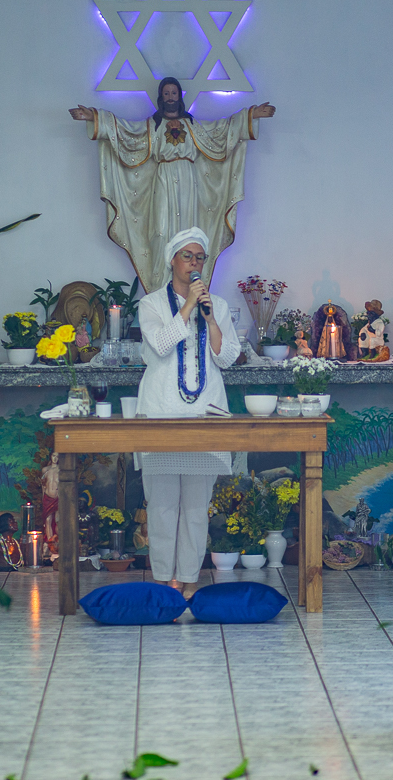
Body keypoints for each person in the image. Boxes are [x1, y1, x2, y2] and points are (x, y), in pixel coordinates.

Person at [69, 78, 275, 291]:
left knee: (188, 233)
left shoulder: (193, 125)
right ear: (161, 97)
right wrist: (94, 117)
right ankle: (160, 290)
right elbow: (125, 130)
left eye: (173, 93)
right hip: (163, 180)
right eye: (166, 93)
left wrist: (251, 115)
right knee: (160, 232)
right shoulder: (151, 125)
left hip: (188, 182)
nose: (170, 97)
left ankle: (189, 291)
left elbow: (222, 130)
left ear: (179, 96)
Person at [136, 227, 241, 599]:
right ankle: (164, 584)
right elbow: (163, 345)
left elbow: (227, 357)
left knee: (197, 508)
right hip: (162, 413)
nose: (195, 263)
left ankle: (192, 584)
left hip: (206, 413)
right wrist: (188, 307)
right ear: (172, 261)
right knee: (162, 506)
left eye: (200, 257)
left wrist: (210, 317)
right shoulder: (150, 305)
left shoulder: (220, 306)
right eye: (188, 256)